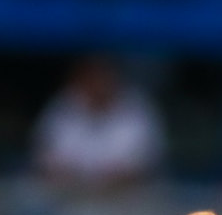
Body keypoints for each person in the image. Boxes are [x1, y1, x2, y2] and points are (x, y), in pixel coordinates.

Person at [33, 56, 164, 192]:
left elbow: (146, 164)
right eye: (91, 77)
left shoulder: (137, 108)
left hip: (126, 199)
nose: (98, 83)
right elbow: (46, 161)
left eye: (103, 76)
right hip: (68, 197)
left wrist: (110, 182)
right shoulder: (62, 107)